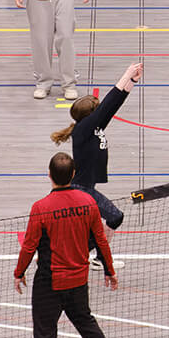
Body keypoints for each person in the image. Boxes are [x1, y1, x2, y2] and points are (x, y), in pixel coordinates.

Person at [12, 151, 123, 338]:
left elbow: (29, 246)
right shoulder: (88, 202)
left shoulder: (41, 208)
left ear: (49, 175)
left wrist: (19, 272)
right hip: (77, 279)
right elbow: (101, 240)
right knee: (87, 324)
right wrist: (109, 270)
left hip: (49, 281)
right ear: (73, 175)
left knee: (45, 333)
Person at [52, 61, 143, 231]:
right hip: (80, 190)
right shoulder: (83, 129)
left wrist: (132, 81)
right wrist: (125, 74)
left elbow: (114, 105)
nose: (101, 110)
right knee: (115, 217)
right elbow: (108, 103)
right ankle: (98, 255)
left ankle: (93, 255)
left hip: (86, 188)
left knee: (89, 227)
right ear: (90, 115)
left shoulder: (94, 128)